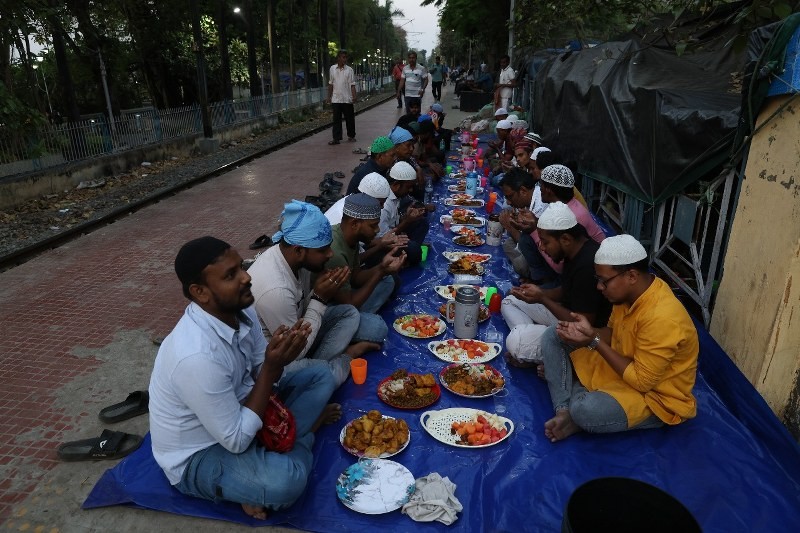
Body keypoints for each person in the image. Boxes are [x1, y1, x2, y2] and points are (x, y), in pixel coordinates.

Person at [149, 236, 340, 519]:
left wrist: (280, 359)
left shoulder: (242, 307)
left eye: (240, 267)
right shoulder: (195, 356)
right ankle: (301, 437)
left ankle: (273, 456)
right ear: (200, 292)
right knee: (287, 483)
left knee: (321, 375)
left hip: (243, 408)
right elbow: (236, 440)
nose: (246, 277)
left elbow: (259, 372)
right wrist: (272, 369)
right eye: (231, 275)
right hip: (202, 451)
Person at [540, 234, 699, 442]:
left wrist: (593, 342)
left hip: (654, 395)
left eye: (604, 281)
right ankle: (563, 412)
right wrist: (588, 332)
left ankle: (573, 403)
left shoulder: (662, 316)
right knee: (554, 334)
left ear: (631, 276)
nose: (599, 287)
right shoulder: (627, 294)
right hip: (619, 367)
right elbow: (613, 334)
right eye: (598, 280)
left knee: (585, 410)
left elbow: (642, 382)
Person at [248, 201, 386, 387]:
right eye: (323, 250)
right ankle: (342, 359)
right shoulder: (276, 290)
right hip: (284, 358)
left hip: (301, 331)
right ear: (299, 251)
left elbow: (304, 309)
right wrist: (320, 298)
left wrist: (321, 291)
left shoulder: (298, 261)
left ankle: (320, 366)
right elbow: (295, 352)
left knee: (358, 318)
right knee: (326, 375)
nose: (330, 254)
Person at [502, 202, 611, 372]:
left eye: (545, 242)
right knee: (510, 301)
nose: (542, 248)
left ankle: (543, 350)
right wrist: (538, 293)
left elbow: (582, 326)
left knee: (516, 342)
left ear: (565, 239)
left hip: (581, 336)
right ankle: (534, 342)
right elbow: (565, 291)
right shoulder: (574, 249)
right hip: (564, 317)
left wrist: (543, 299)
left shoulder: (588, 266)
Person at [324, 194, 406, 313]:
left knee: (389, 280)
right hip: (331, 306)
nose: (377, 230)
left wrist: (383, 268)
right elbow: (350, 304)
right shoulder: (334, 253)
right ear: (355, 224)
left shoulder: (350, 236)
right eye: (373, 225)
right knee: (375, 326)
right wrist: (380, 272)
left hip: (347, 295)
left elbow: (356, 277)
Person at [380, 161, 429, 266]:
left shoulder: (396, 195)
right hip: (383, 242)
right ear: (396, 185)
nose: (410, 190)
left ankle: (407, 251)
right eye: (408, 187)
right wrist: (406, 221)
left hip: (394, 232)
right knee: (415, 252)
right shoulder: (384, 204)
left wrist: (407, 217)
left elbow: (394, 222)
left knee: (422, 223)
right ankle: (400, 260)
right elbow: (384, 240)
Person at [326, 50, 357, 145]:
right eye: (343, 57)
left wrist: (354, 96)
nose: (345, 59)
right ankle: (336, 138)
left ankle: (351, 136)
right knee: (336, 119)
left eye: (345, 57)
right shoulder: (332, 69)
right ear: (338, 58)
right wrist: (329, 96)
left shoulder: (349, 70)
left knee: (349, 118)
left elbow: (352, 84)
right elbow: (331, 84)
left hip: (347, 98)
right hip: (336, 98)